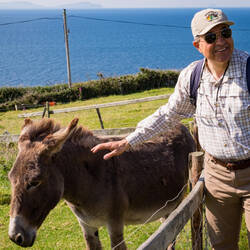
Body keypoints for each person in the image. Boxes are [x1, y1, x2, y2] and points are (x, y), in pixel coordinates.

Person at [91, 8, 250, 250]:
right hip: (217, 177)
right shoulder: (193, 77)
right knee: (222, 246)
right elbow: (168, 114)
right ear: (198, 45)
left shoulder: (248, 69)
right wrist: (128, 141)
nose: (221, 42)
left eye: (225, 33)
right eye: (211, 37)